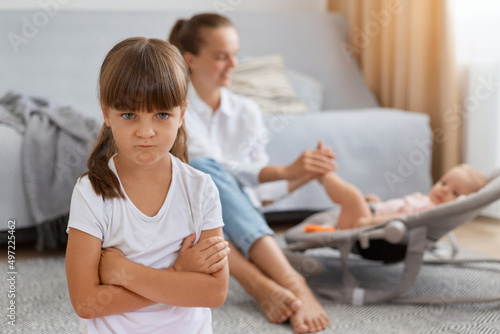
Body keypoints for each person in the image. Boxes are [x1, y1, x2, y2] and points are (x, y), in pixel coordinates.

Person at [169, 13, 333, 333]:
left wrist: (299, 176)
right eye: (220, 57)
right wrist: (284, 170)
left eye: (235, 54)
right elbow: (211, 167)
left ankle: (272, 283)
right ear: (190, 59)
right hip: (194, 209)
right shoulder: (174, 109)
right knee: (202, 174)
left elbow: (259, 195)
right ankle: (273, 283)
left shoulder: (248, 111)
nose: (233, 63)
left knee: (216, 193)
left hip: (239, 214)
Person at [65, 37, 230, 334]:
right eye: (129, 115)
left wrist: (124, 273)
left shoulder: (201, 188)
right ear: (106, 113)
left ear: (182, 113)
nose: (146, 132)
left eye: (162, 114)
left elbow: (214, 292)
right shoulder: (91, 192)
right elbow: (86, 303)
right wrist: (178, 274)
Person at [318, 164, 489, 230]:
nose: (444, 190)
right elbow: (398, 207)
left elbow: (401, 218)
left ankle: (322, 174)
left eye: (455, 193)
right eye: (444, 183)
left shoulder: (430, 212)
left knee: (352, 195)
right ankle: (321, 175)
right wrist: (380, 204)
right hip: (373, 212)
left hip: (365, 226)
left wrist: (368, 222)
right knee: (354, 198)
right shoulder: (426, 201)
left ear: (461, 202)